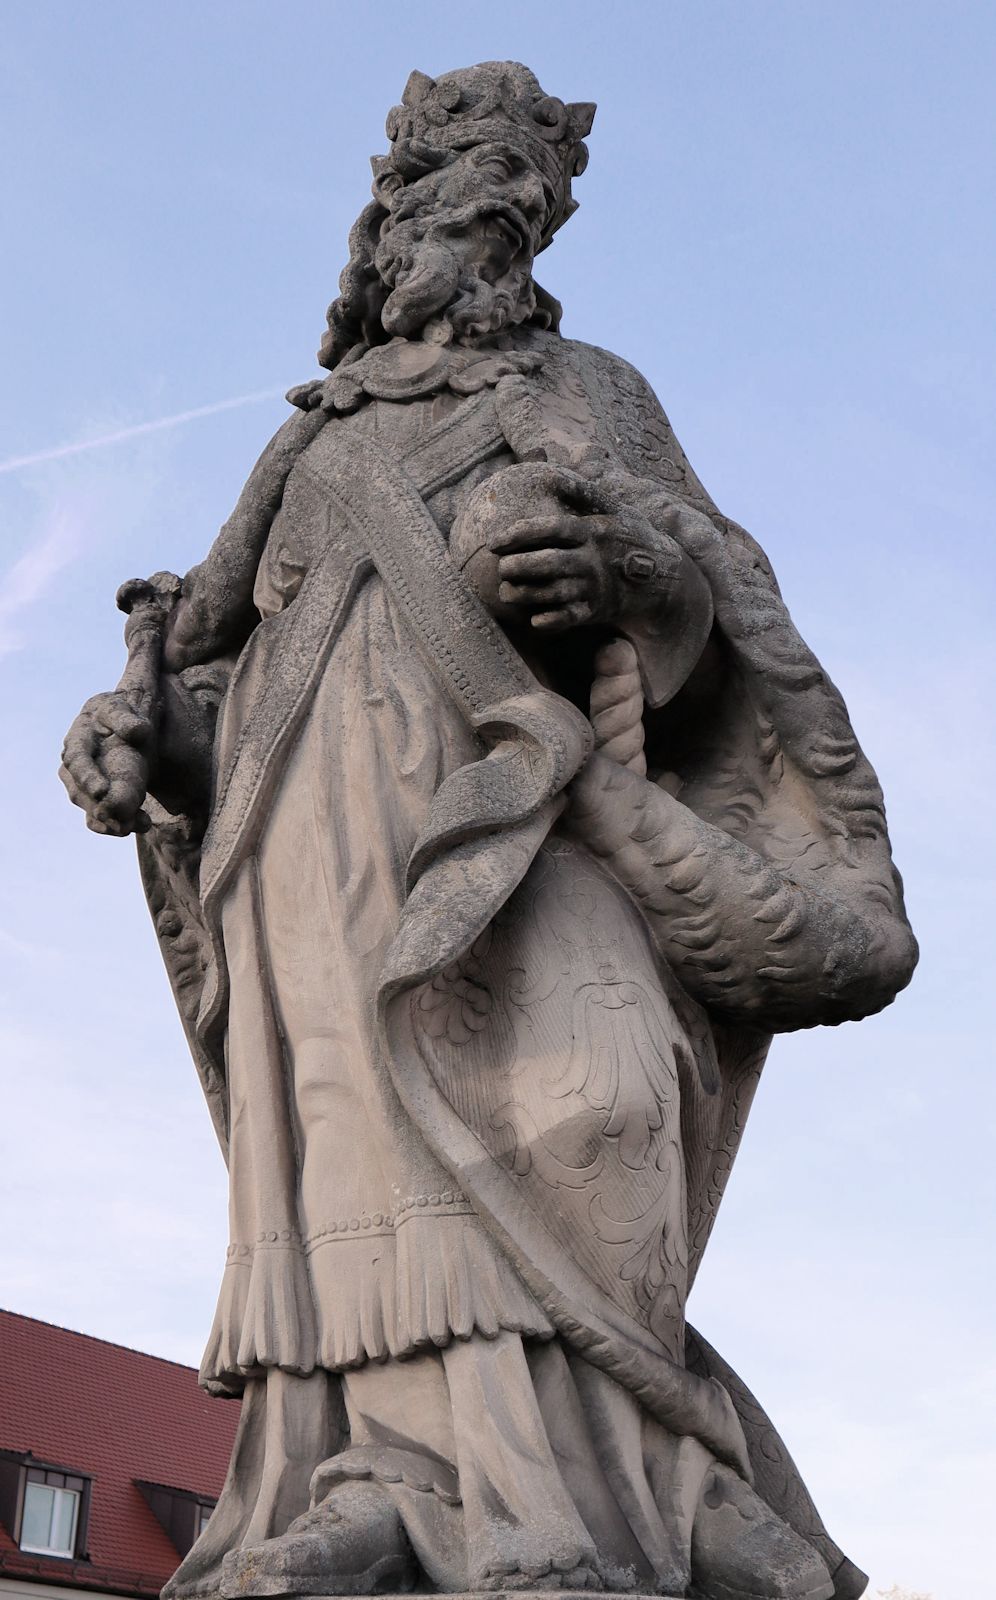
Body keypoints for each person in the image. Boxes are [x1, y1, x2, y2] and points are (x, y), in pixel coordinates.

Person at [60, 61, 916, 1600]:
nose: (432, 243)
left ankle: (649, 1477)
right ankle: (378, 1475)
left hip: (520, 824)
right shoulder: (314, 440)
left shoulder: (592, 396)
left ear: (526, 236)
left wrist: (626, 584)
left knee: (584, 1108)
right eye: (414, 214)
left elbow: (714, 615)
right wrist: (135, 741)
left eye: (477, 214)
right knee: (351, 1162)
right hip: (305, 851)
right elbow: (203, 657)